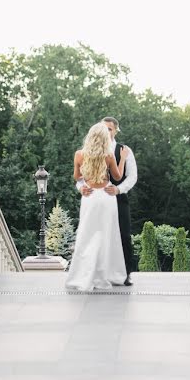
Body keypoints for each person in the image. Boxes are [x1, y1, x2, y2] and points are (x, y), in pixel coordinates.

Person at [65, 122, 129, 291]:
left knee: (87, 235)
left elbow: (77, 176)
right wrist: (122, 158)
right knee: (108, 235)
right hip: (106, 197)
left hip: (90, 198)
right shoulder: (109, 156)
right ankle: (106, 274)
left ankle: (84, 274)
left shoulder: (79, 155)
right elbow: (117, 176)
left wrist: (83, 184)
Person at [77, 116, 138, 286]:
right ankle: (95, 272)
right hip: (95, 198)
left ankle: (125, 273)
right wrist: (81, 188)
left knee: (124, 234)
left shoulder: (124, 150)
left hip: (118, 199)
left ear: (116, 130)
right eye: (103, 128)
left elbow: (132, 176)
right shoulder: (87, 150)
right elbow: (80, 177)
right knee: (95, 235)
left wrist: (118, 189)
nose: (106, 132)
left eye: (109, 129)